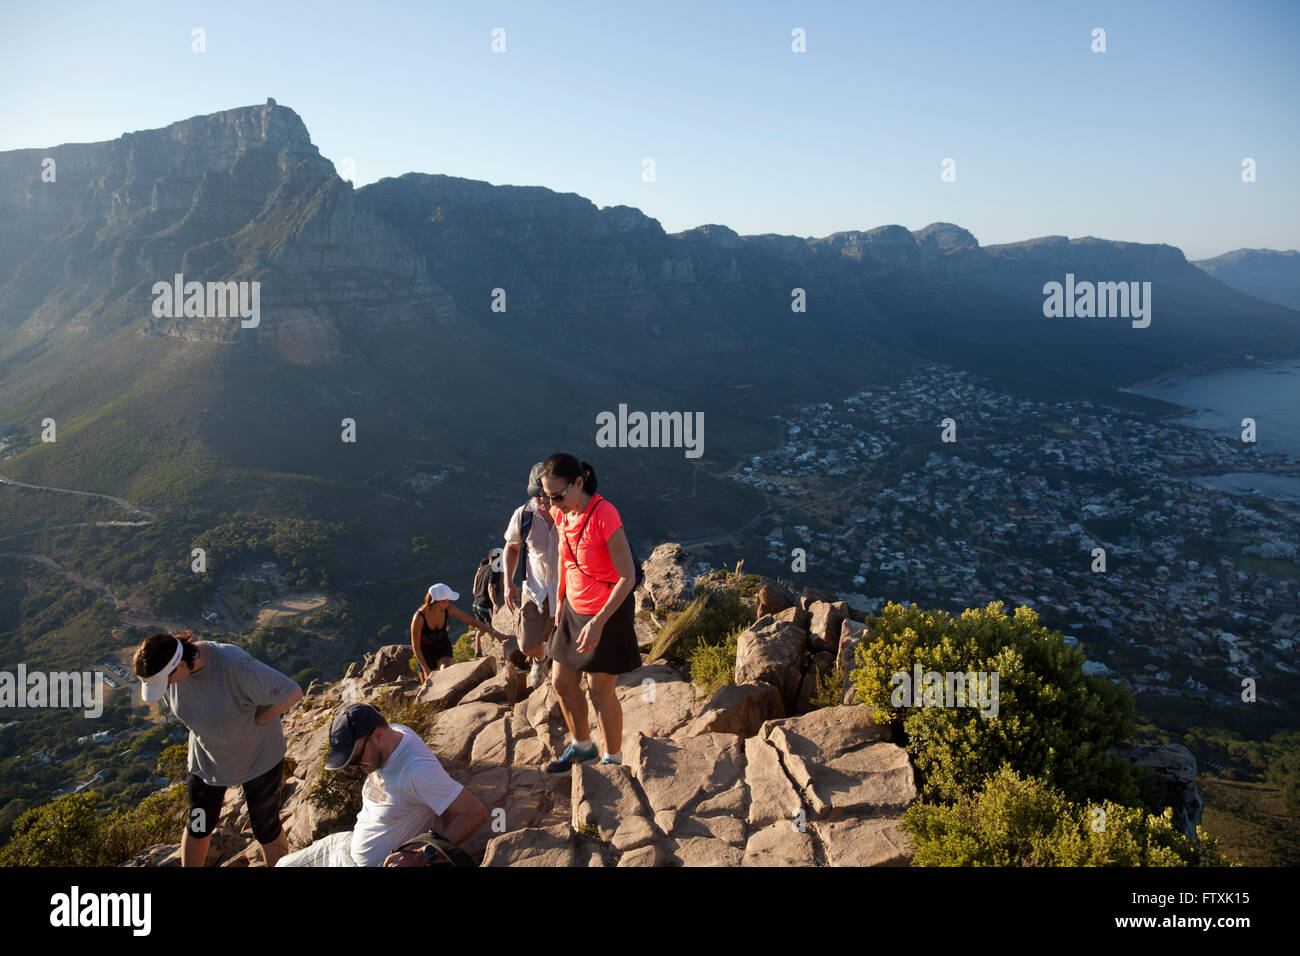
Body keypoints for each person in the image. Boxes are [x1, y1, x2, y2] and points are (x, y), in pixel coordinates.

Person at [134, 631, 303, 867]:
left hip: (259, 758)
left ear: (181, 663)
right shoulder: (171, 674)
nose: (167, 687)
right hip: (207, 763)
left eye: (167, 681)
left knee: (265, 826)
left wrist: (262, 719)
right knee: (198, 825)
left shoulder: (232, 663)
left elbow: (291, 692)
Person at [276, 703, 487, 866]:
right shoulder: (395, 733)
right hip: (343, 844)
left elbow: (475, 813)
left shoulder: (416, 771)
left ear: (377, 736)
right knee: (282, 864)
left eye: (355, 758)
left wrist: (421, 856)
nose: (352, 767)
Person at [539, 454, 641, 773]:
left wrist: (598, 623)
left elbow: (628, 576)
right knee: (562, 683)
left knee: (600, 691)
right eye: (547, 496)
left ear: (579, 483)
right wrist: (559, 603)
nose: (552, 503)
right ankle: (583, 747)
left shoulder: (604, 515)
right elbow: (566, 560)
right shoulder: (562, 514)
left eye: (558, 495)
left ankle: (612, 759)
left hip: (608, 611)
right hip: (573, 608)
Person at [503, 461, 560, 690]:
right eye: (538, 496)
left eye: (546, 496)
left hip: (566, 589)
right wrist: (508, 583)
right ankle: (539, 657)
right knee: (526, 644)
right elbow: (512, 547)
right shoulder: (523, 515)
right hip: (534, 589)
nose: (542, 501)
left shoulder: (568, 513)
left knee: (568, 642)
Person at [411, 583, 504, 678]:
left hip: (443, 647)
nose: (450, 602)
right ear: (440, 601)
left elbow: (472, 621)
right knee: (427, 685)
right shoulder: (419, 618)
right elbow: (416, 647)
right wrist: (426, 669)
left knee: (444, 675)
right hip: (425, 652)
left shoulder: (448, 609)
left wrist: (495, 633)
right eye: (448, 600)